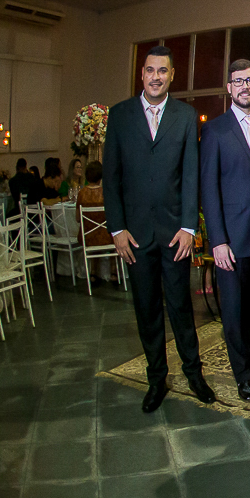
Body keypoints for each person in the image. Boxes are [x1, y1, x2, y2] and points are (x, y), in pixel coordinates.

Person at [104, 45, 215, 412]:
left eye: (162, 71)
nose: (156, 77)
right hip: (135, 236)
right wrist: (117, 229)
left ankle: (194, 374)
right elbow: (111, 178)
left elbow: (190, 174)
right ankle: (156, 379)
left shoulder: (185, 116)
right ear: (142, 74)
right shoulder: (120, 115)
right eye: (150, 70)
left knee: (181, 307)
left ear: (171, 76)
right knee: (147, 309)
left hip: (174, 235)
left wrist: (188, 226)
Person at [199, 59, 250, 402]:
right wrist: (217, 240)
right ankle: (243, 373)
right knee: (233, 312)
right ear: (229, 88)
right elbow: (208, 189)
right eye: (238, 81)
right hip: (231, 240)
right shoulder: (215, 130)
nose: (245, 86)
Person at [74, 161, 114, 281]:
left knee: (93, 232)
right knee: (113, 233)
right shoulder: (106, 193)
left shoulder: (81, 193)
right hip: (106, 237)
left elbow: (77, 219)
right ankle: (114, 271)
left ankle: (93, 272)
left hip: (87, 236)